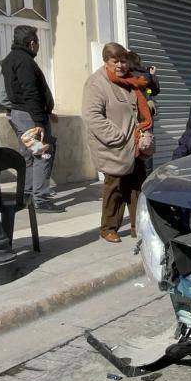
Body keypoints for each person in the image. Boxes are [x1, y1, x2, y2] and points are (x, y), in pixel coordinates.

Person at [82, 43, 154, 243]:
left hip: (135, 144)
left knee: (136, 186)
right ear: (107, 61)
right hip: (113, 146)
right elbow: (92, 116)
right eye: (116, 61)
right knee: (115, 187)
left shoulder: (129, 80)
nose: (121, 65)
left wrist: (149, 106)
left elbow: (140, 101)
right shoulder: (97, 83)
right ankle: (108, 228)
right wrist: (118, 136)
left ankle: (137, 225)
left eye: (124, 61)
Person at [0, 25, 63, 212]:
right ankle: (41, 199)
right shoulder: (25, 61)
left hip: (21, 115)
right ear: (32, 43)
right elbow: (30, 92)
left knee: (28, 155)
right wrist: (38, 121)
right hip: (30, 117)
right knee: (43, 153)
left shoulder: (10, 60)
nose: (38, 46)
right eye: (38, 42)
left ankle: (27, 194)